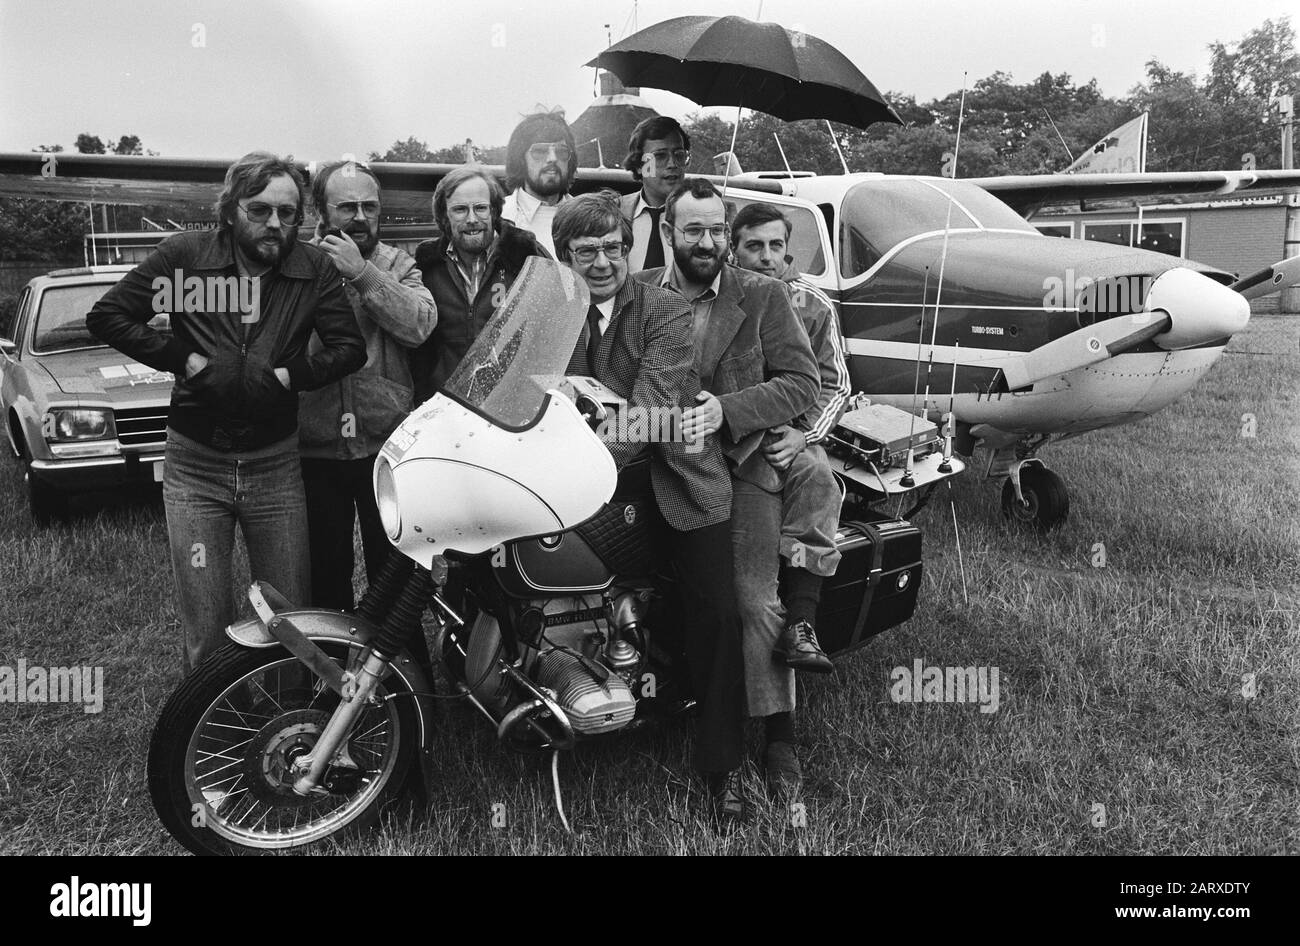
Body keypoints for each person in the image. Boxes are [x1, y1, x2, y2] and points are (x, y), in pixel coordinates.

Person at [86, 152, 366, 673]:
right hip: (196, 466)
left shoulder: (312, 268)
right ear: (232, 209)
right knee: (207, 618)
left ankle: (289, 727)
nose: (275, 224)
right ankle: (210, 732)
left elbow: (349, 347)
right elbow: (110, 314)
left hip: (276, 465)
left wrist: (291, 376)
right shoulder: (186, 259)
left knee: (287, 613)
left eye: (288, 213)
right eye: (260, 210)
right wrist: (182, 358)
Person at [553, 191, 746, 823]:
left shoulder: (661, 308)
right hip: (586, 487)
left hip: (678, 482)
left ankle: (724, 768)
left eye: (614, 247)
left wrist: (571, 451)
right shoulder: (553, 309)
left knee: (717, 613)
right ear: (565, 256)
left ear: (630, 249)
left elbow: (651, 411)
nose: (603, 261)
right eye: (587, 251)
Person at [636, 179, 820, 799]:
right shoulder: (640, 294)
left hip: (741, 469)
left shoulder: (763, 295)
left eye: (717, 229)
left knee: (748, 598)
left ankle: (778, 738)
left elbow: (802, 384)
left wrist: (729, 411)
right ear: (667, 232)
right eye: (695, 230)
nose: (709, 242)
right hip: (657, 467)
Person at [299, 159, 436, 611]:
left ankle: (400, 671)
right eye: (347, 207)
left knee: (393, 566)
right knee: (325, 569)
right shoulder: (297, 264)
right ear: (321, 211)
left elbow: (419, 325)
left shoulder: (398, 263)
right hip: (315, 444)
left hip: (385, 443)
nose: (360, 217)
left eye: (370, 207)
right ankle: (331, 669)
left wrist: (363, 274)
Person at [730, 202, 850, 675]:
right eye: (753, 246)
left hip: (789, 431)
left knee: (819, 478)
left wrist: (805, 436)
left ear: (788, 250)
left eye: (775, 246)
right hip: (729, 427)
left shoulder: (812, 303)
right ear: (733, 248)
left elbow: (836, 383)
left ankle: (802, 620)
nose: (766, 256)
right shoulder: (724, 295)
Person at [410, 166, 548, 403]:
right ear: (444, 216)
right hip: (447, 408)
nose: (472, 219)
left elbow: (555, 327)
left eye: (481, 208)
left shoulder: (527, 256)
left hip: (512, 409)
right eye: (460, 210)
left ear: (494, 211)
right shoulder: (426, 265)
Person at [500, 112, 577, 258]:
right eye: (540, 151)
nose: (552, 158)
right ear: (520, 159)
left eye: (561, 151)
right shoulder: (498, 217)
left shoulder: (589, 219)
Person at [619, 116, 690, 274]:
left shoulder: (703, 214)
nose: (672, 164)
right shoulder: (615, 211)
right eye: (660, 156)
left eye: (679, 154)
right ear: (639, 165)